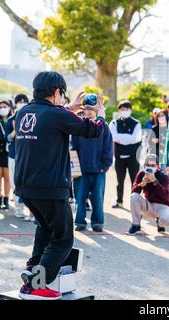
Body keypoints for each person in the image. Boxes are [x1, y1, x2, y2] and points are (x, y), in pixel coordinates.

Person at [15, 71, 106, 300]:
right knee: (63, 239)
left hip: (26, 186)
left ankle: (33, 269)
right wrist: (101, 114)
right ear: (57, 92)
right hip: (50, 187)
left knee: (45, 228)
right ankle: (37, 284)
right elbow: (92, 130)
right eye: (62, 95)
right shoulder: (57, 115)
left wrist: (70, 109)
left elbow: (54, 119)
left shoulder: (24, 112)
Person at [72, 94, 113, 233]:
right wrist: (75, 167)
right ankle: (79, 221)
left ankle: (97, 222)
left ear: (97, 110)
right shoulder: (79, 125)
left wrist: (104, 166)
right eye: (86, 109)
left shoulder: (104, 127)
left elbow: (108, 148)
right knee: (79, 197)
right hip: (81, 169)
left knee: (97, 198)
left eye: (92, 109)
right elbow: (73, 147)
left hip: (98, 170)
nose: (88, 112)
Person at [127, 154, 169, 235]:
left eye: (153, 165)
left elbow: (165, 195)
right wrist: (142, 184)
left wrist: (155, 181)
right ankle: (136, 225)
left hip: (161, 206)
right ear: (145, 165)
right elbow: (133, 191)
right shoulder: (141, 174)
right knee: (134, 196)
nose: (150, 167)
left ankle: (160, 222)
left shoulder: (163, 176)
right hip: (148, 205)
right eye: (148, 165)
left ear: (157, 166)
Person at [109, 100, 142, 209]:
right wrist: (126, 138)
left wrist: (121, 138)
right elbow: (113, 137)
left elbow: (135, 138)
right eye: (122, 109)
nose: (124, 111)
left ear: (130, 110)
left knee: (135, 180)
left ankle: (136, 202)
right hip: (119, 156)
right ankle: (119, 201)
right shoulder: (114, 122)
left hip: (133, 157)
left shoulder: (136, 123)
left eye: (127, 109)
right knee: (120, 181)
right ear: (119, 110)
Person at [6, 94, 31, 219]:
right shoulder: (11, 119)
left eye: (24, 101)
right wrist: (15, 130)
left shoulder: (30, 117)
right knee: (14, 183)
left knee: (27, 183)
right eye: (19, 102)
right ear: (15, 103)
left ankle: (31, 211)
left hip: (28, 157)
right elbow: (8, 138)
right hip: (13, 156)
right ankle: (18, 209)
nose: (21, 103)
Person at [0, 101, 11, 210]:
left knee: (7, 178)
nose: (2, 108)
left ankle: (7, 200)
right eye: (0, 107)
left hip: (8, 153)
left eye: (5, 107)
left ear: (9, 108)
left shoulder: (12, 121)